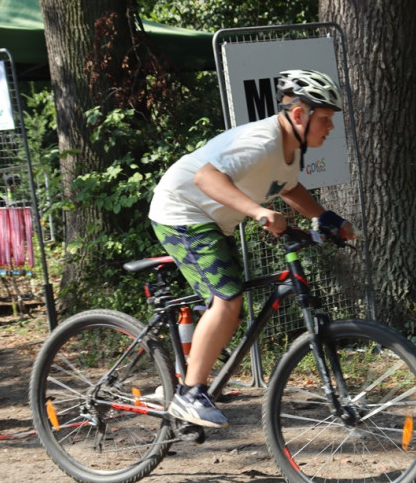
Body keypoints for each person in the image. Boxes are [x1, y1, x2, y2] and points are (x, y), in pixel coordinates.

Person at [149, 69, 360, 428]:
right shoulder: (262, 141)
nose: (330, 127)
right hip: (181, 211)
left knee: (227, 299)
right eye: (324, 119)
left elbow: (288, 188)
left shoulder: (290, 150)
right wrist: (259, 211)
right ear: (298, 115)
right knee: (227, 299)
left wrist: (326, 219)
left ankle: (187, 374)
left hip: (212, 220)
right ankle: (189, 394)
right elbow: (206, 177)